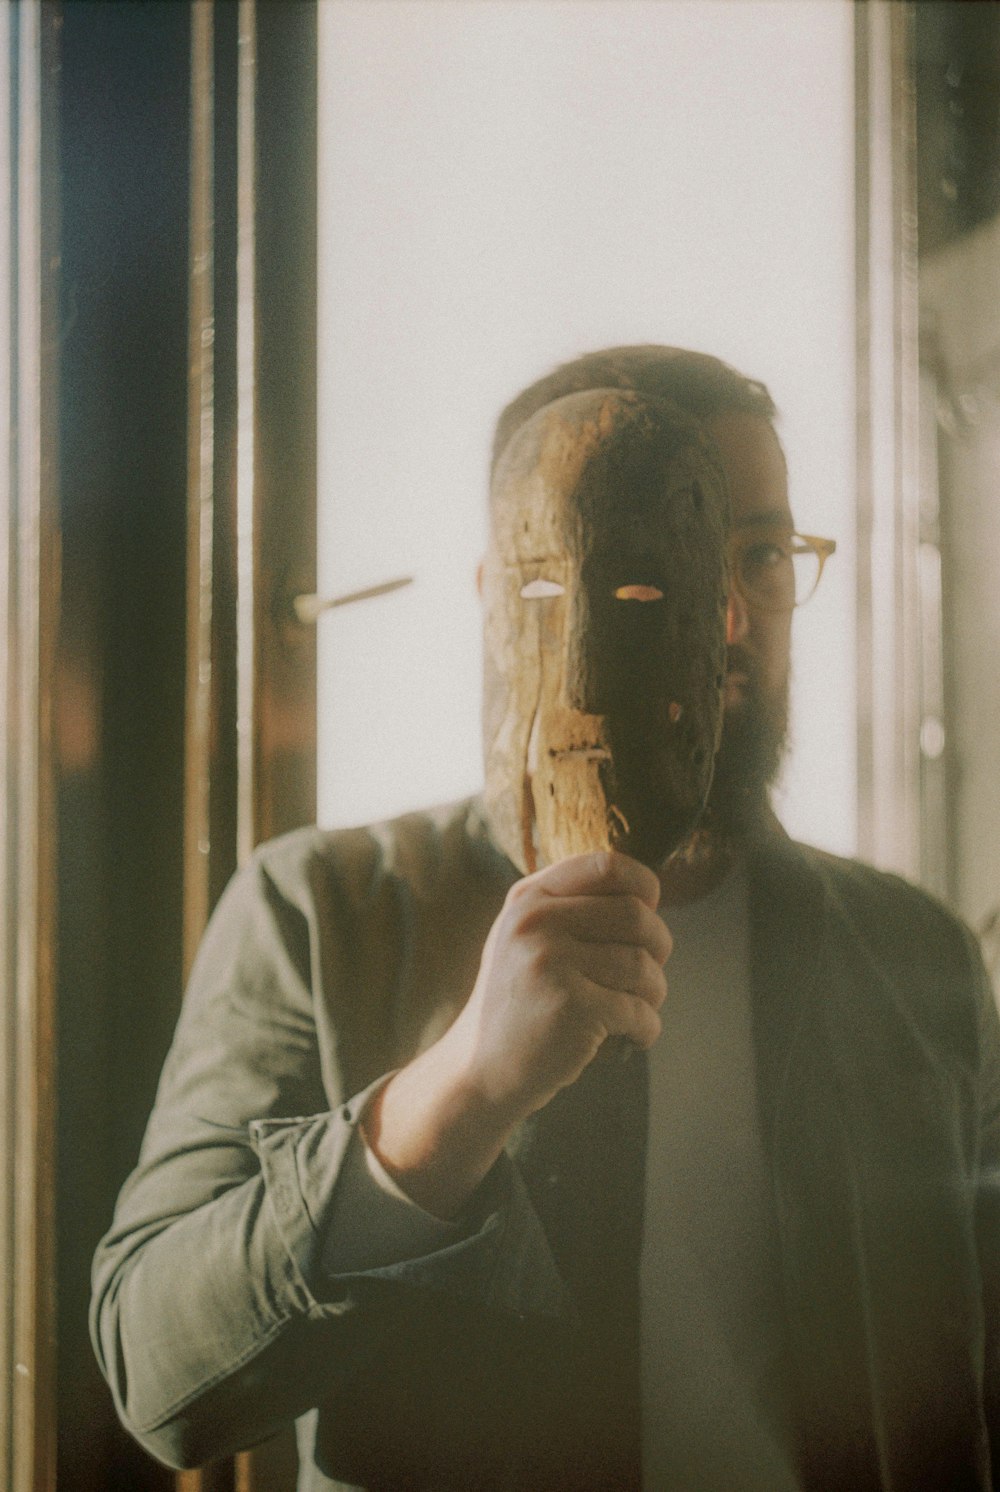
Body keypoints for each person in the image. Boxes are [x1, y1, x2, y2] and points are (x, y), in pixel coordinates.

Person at [91, 347, 1000, 1492]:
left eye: (760, 555)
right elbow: (155, 1375)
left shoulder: (915, 956)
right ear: (504, 596)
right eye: (639, 565)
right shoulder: (318, 915)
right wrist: (457, 1094)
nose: (721, 615)